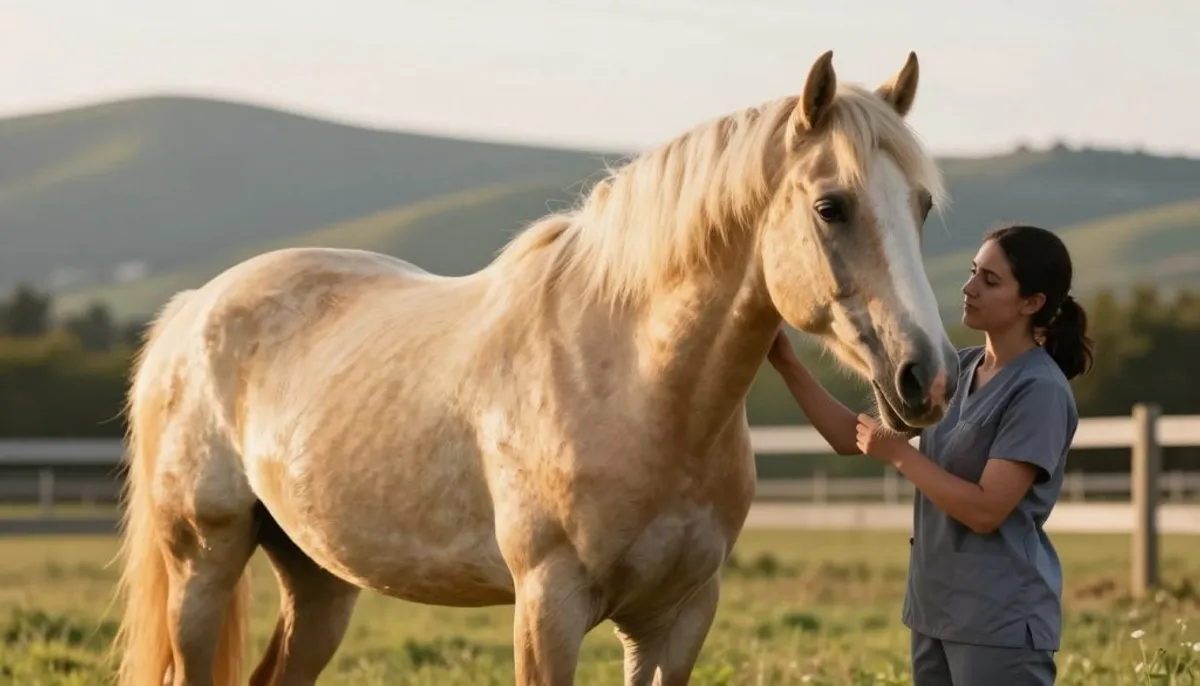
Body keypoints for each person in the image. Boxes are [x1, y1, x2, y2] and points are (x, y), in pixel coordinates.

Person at [766, 223, 1094, 685]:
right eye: (973, 272)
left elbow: (985, 510)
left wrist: (901, 457)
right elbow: (852, 437)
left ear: (1032, 303)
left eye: (990, 281)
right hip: (932, 612)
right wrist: (786, 363)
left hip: (997, 621)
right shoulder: (958, 368)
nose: (969, 288)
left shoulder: (1039, 391)